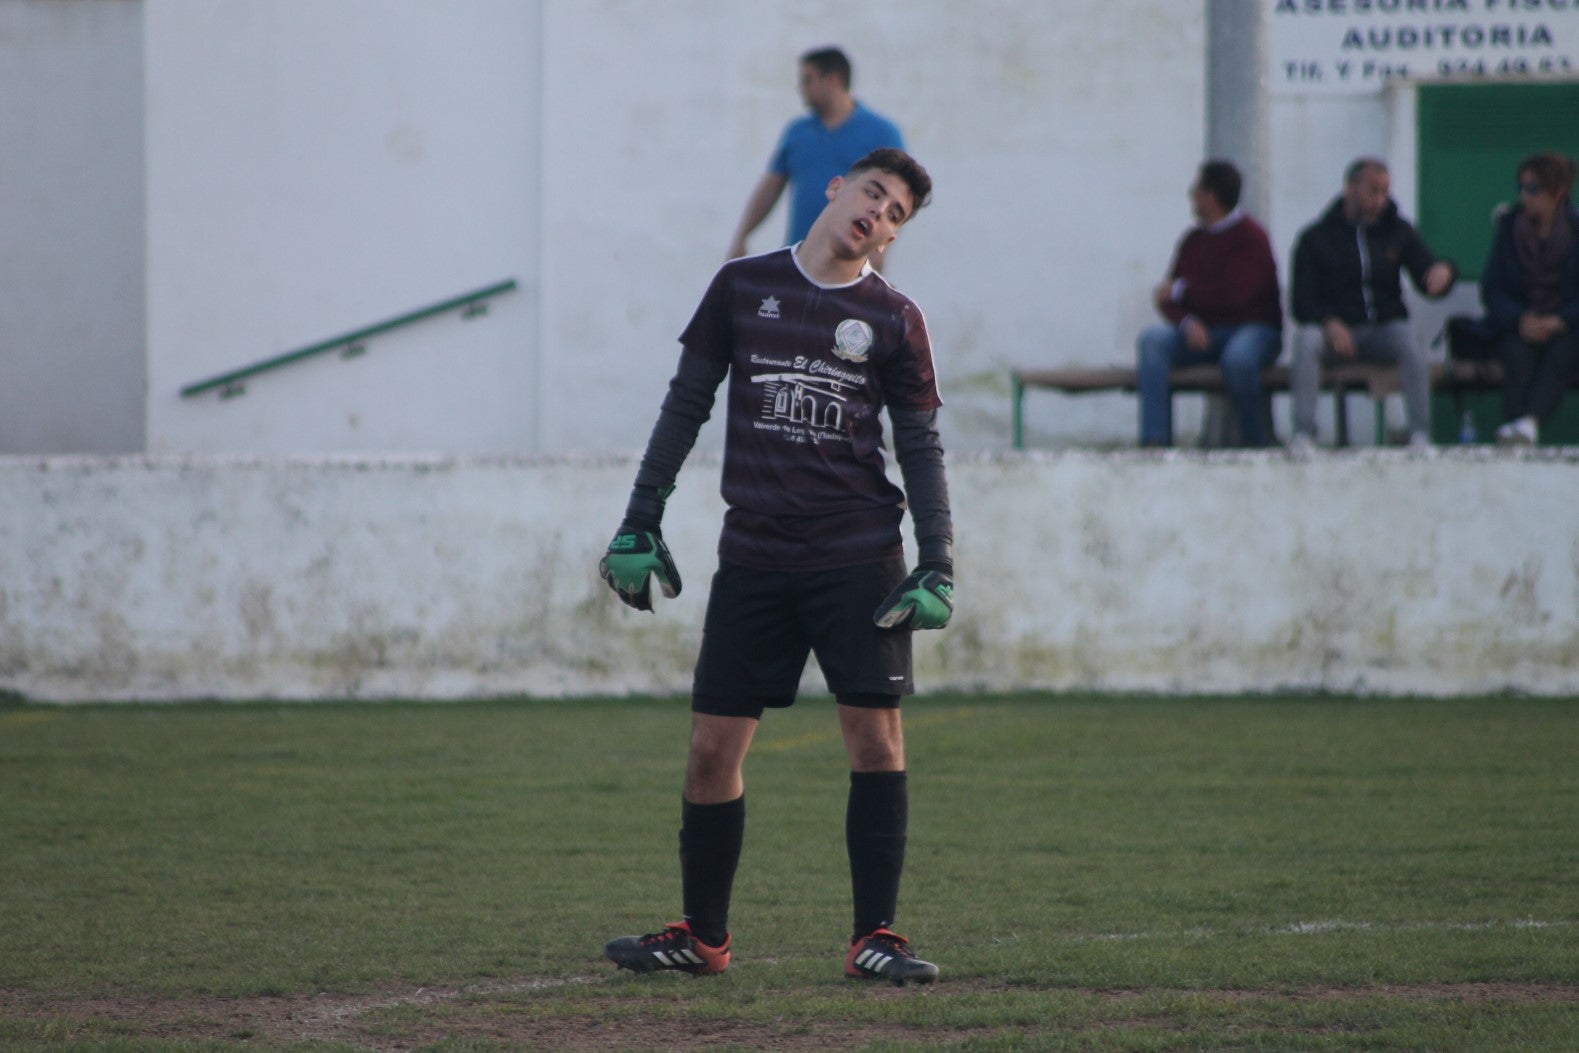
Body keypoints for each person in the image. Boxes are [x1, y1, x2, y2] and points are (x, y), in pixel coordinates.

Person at [598, 148, 951, 987]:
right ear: (835, 187)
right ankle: (702, 937)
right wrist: (639, 516)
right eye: (872, 193)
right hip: (754, 555)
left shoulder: (895, 318)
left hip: (859, 556)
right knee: (709, 749)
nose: (877, 213)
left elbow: (920, 445)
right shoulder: (740, 285)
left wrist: (937, 558)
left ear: (893, 235)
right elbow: (686, 402)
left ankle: (875, 937)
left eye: (895, 213)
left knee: (875, 740)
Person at [1289, 158, 1456, 452]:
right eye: (1373, 191)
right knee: (1306, 340)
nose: (1380, 200)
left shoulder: (1398, 230)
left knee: (1409, 339)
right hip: (1335, 335)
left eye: (1385, 192)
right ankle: (1304, 434)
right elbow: (1301, 302)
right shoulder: (1316, 238)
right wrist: (1329, 322)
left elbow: (1425, 273)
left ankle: (1419, 434)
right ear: (1350, 188)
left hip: (1381, 329)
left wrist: (1444, 272)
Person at [1136, 160, 1283, 447]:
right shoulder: (1193, 240)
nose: (1191, 195)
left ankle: (1256, 445)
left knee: (1239, 359)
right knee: (1152, 342)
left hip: (1253, 330)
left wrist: (1183, 291)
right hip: (1202, 334)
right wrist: (1187, 321)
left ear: (1211, 196)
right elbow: (1167, 298)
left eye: (1196, 189)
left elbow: (1235, 296)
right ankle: (1156, 443)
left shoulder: (1251, 238)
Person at [727, 47, 905, 265]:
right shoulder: (798, 132)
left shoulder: (881, 133)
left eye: (807, 80)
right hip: (800, 258)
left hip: (849, 262)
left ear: (832, 80)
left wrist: (879, 250)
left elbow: (897, 198)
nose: (800, 88)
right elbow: (771, 186)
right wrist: (743, 235)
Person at [1480, 152, 1579, 445]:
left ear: (1557, 193)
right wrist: (1520, 319)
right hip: (1519, 322)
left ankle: (1528, 422)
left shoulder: (1575, 231)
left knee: (1562, 353)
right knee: (1517, 354)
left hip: (1566, 325)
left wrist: (1560, 320)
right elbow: (1492, 288)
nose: (1524, 196)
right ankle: (1517, 426)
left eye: (1533, 189)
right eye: (1520, 188)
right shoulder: (1509, 227)